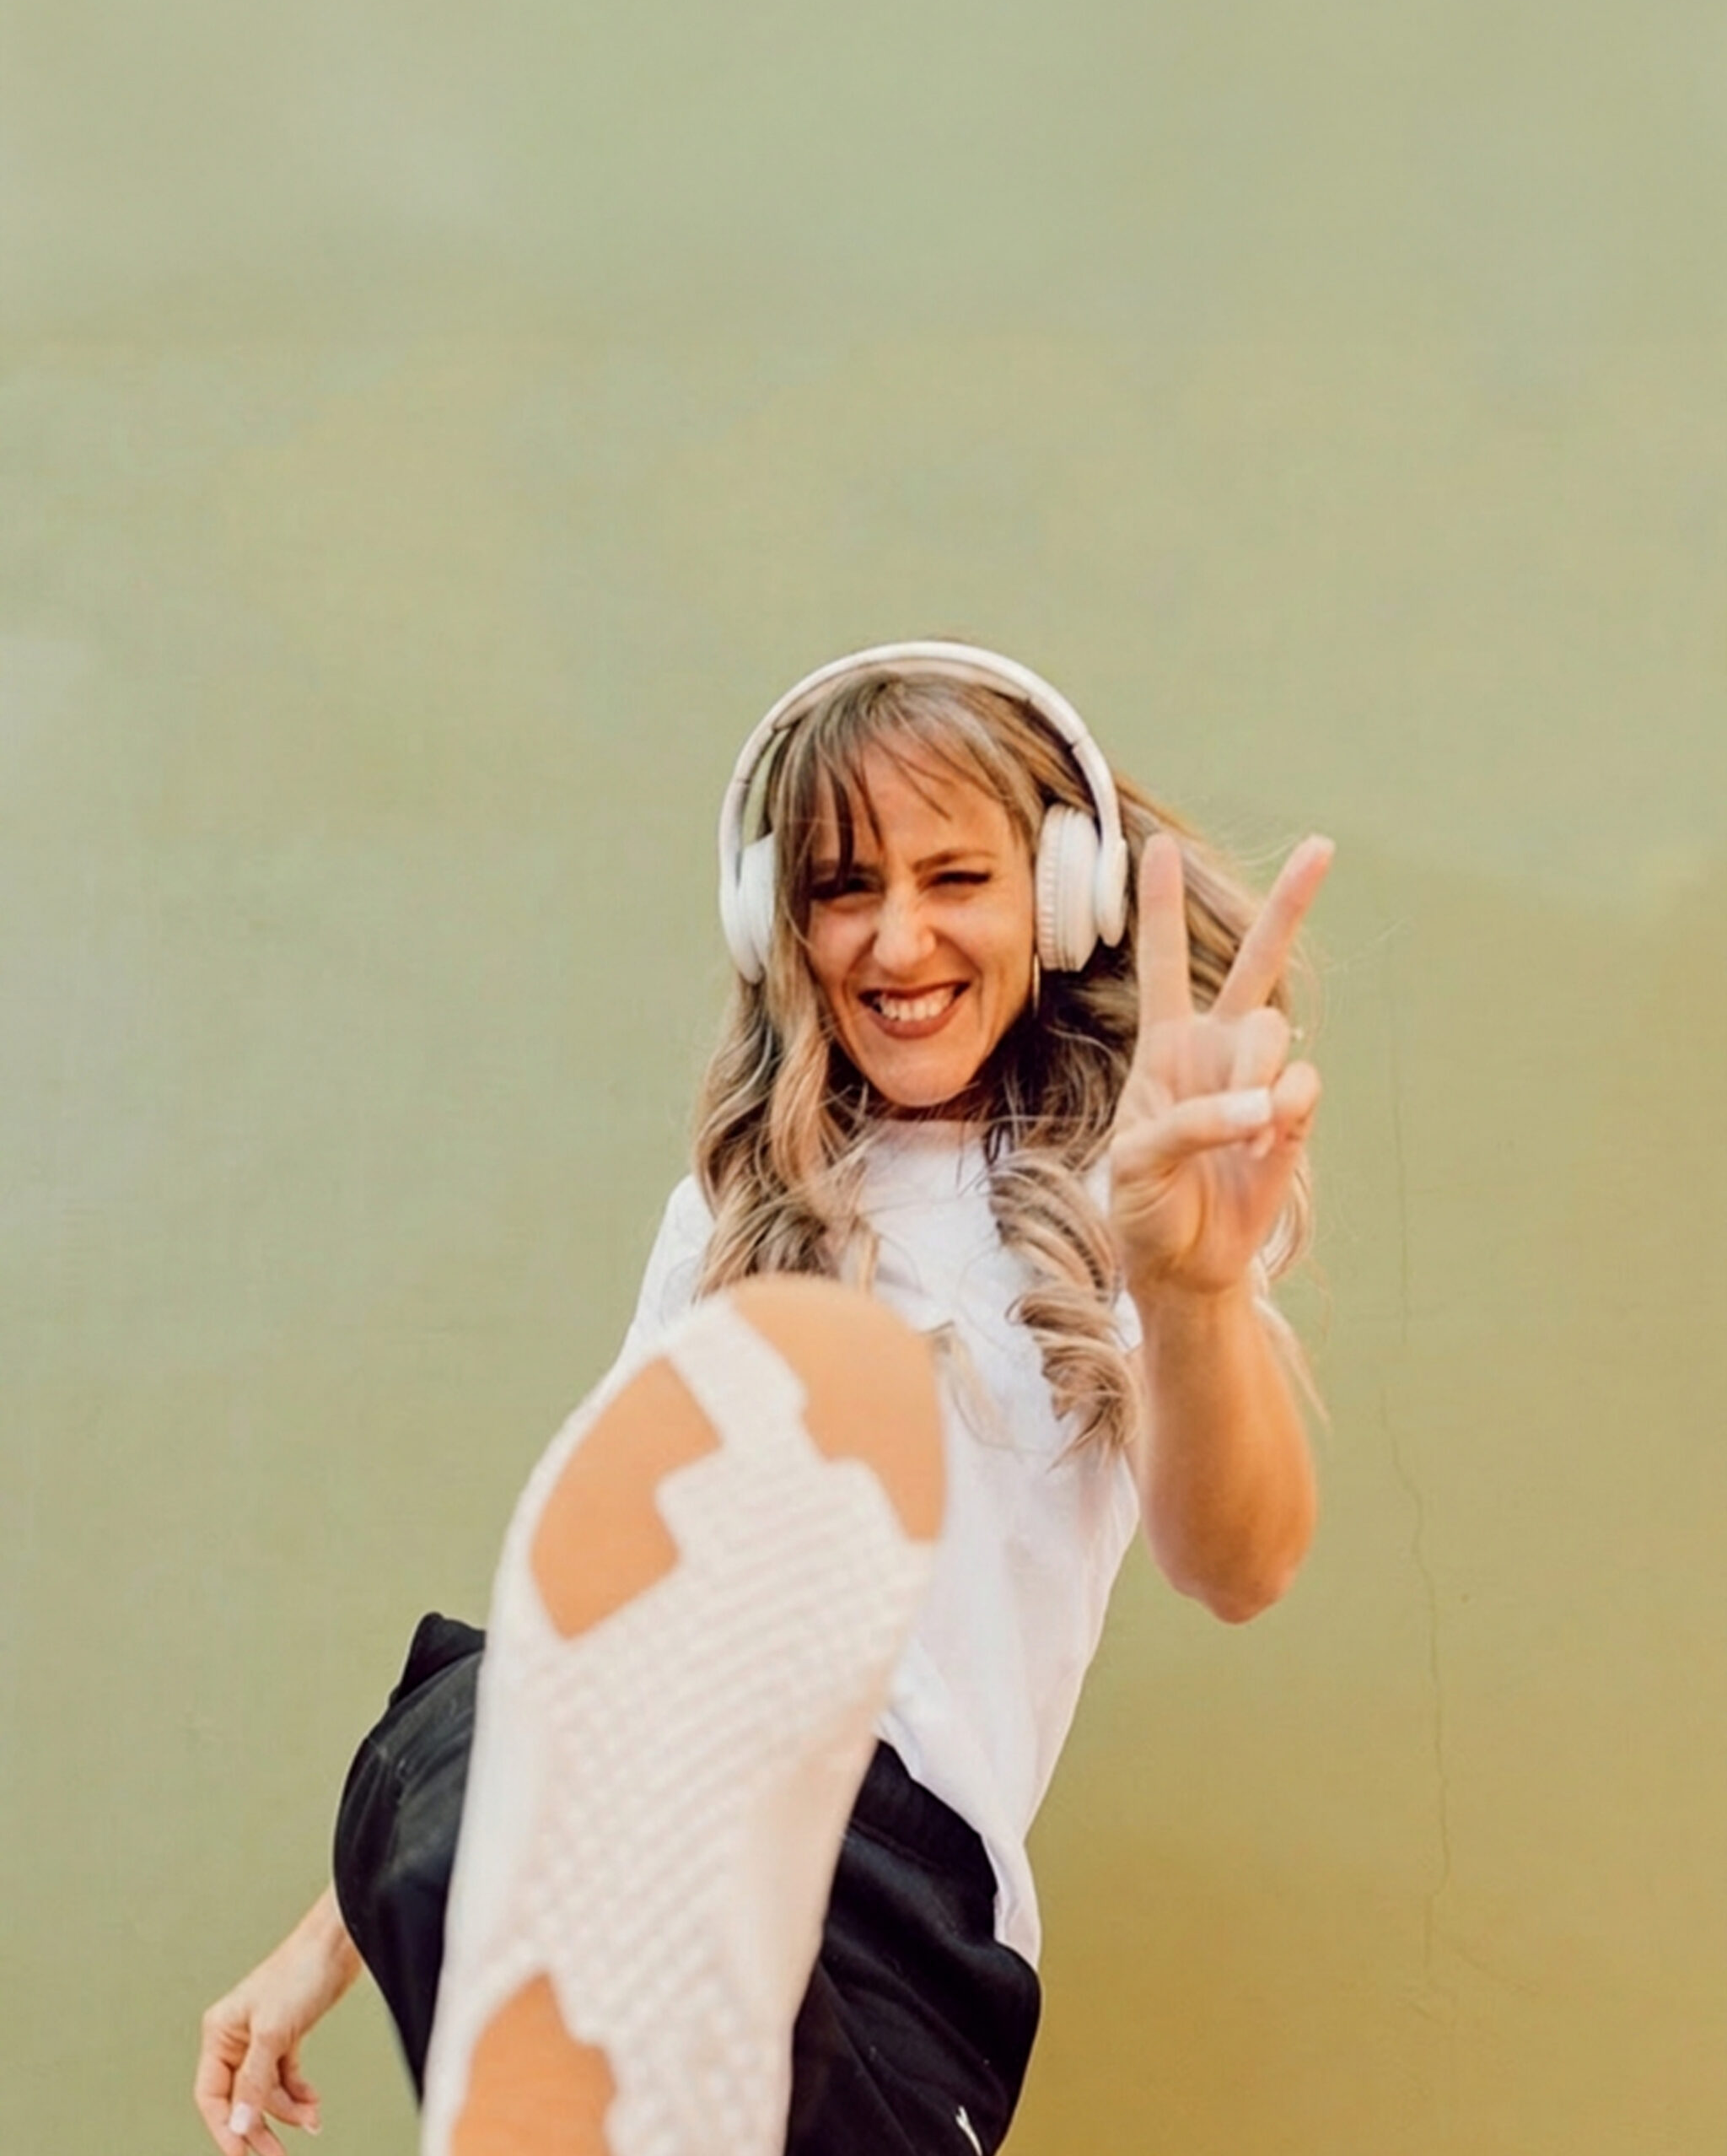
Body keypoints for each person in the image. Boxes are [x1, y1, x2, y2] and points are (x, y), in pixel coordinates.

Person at [194, 640, 1331, 2156]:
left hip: (897, 1901)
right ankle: (573, 2055)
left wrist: (1186, 1286)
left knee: (536, 1768)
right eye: (843, 887)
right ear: (774, 919)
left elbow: (1241, 1566)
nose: (895, 938)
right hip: (656, 1764)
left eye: (954, 880)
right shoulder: (730, 1215)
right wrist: (317, 1947)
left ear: (1061, 900)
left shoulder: (1123, 1187)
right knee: (469, 1721)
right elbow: (587, 1613)